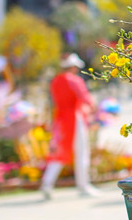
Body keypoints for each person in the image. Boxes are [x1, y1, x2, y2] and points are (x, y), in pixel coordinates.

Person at [40, 53, 100, 199]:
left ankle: (47, 183)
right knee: (81, 152)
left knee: (59, 151)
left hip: (60, 119)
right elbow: (86, 99)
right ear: (73, 67)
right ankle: (83, 185)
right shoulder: (74, 80)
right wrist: (95, 110)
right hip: (74, 118)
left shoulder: (55, 81)